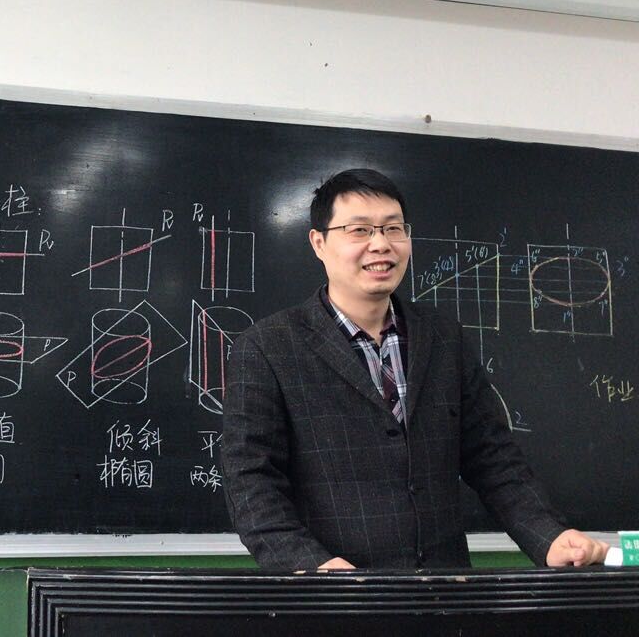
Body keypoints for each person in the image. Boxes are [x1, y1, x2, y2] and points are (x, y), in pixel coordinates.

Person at [221, 168, 608, 570]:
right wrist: (312, 565)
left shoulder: (443, 336)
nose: (380, 244)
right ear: (319, 242)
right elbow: (250, 479)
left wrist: (549, 537)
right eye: (359, 230)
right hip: (336, 594)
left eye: (393, 229)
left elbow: (491, 456)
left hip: (446, 590)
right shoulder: (267, 347)